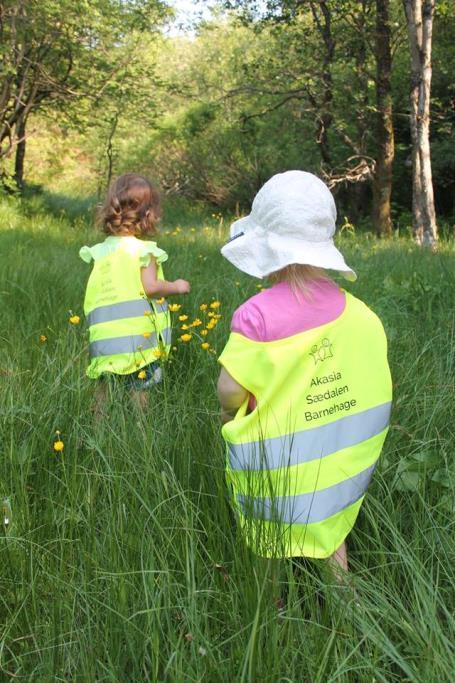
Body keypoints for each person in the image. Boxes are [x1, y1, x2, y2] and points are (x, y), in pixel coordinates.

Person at [217, 170, 392, 574]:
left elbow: (230, 391)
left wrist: (229, 414)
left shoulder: (256, 317)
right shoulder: (361, 316)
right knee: (329, 536)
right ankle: (348, 614)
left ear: (265, 252)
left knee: (267, 543)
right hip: (338, 472)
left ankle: (270, 602)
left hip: (275, 469)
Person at [80, 173, 190, 404]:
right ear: (148, 215)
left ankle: (97, 431)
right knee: (141, 386)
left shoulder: (100, 252)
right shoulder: (144, 251)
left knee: (105, 387)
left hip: (104, 337)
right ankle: (141, 433)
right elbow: (151, 287)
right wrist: (176, 286)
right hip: (139, 337)